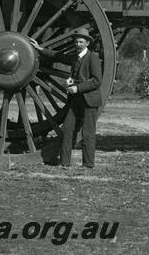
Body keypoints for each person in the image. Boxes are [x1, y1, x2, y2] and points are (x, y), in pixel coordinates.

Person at [33, 27, 102, 168]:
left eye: (81, 42)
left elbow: (96, 81)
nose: (78, 44)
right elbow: (58, 56)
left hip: (90, 100)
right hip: (76, 100)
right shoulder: (74, 58)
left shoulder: (93, 58)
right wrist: (40, 49)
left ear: (87, 43)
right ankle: (64, 163)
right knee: (67, 129)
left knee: (88, 133)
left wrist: (78, 87)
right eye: (77, 41)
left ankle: (88, 165)